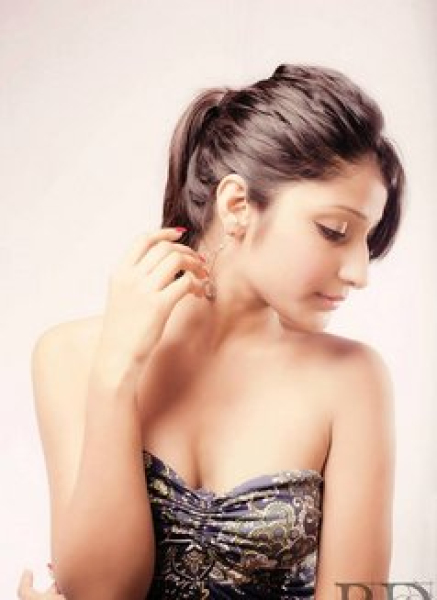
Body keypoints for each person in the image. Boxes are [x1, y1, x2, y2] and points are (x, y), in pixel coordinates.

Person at [17, 63, 405, 600]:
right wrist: (116, 374)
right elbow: (102, 591)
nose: (360, 272)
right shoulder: (71, 356)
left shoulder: (353, 379)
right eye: (333, 231)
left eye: (366, 240)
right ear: (237, 205)